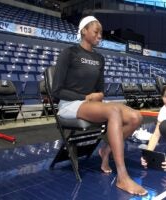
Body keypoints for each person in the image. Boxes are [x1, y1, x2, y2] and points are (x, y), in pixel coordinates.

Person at [52, 16, 147, 196]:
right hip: (70, 104)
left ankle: (106, 150)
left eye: (101, 33)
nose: (100, 36)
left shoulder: (99, 58)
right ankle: (122, 176)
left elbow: (101, 91)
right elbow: (57, 91)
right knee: (113, 111)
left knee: (136, 117)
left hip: (92, 104)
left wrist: (96, 96)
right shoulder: (69, 53)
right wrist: (85, 96)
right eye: (96, 32)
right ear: (83, 31)